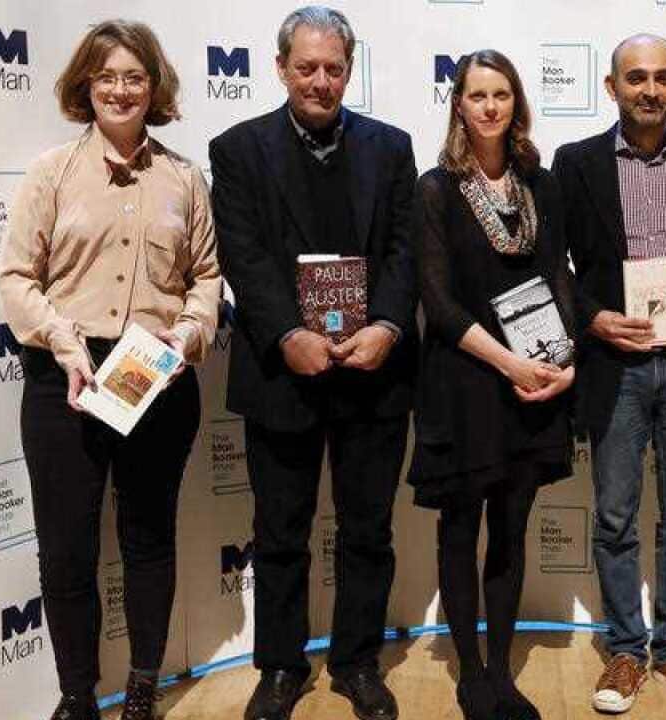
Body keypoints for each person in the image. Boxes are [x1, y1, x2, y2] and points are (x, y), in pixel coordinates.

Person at [0, 19, 219, 720]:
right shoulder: (50, 174)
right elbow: (16, 279)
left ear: (153, 87)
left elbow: (207, 278)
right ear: (84, 86)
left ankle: (144, 687)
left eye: (134, 77)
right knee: (65, 551)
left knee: (149, 538)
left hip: (157, 374)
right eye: (106, 76)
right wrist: (62, 343)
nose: (119, 90)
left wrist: (187, 333)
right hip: (65, 378)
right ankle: (76, 696)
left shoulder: (185, 179)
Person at [207, 7, 417, 720]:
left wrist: (388, 325)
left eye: (333, 68)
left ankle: (357, 662)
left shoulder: (391, 148)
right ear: (280, 69)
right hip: (281, 376)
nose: (320, 81)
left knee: (368, 529)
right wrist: (284, 334)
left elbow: (403, 249)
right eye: (306, 68)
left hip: (372, 373)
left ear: (349, 70)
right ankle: (281, 667)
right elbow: (242, 253)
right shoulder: (236, 149)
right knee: (281, 531)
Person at [552, 33, 666, 714]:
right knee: (614, 517)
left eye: (662, 77)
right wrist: (593, 318)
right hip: (615, 366)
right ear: (612, 87)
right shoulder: (577, 163)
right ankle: (626, 651)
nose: (649, 89)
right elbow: (554, 267)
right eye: (635, 78)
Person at [411, 50, 576, 720]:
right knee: (460, 529)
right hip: (465, 382)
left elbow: (561, 275)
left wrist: (564, 360)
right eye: (476, 94)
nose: (488, 106)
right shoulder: (436, 188)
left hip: (536, 382)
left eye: (500, 94)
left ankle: (503, 671)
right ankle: (471, 674)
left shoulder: (542, 182)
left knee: (512, 530)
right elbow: (438, 302)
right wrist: (509, 364)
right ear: (459, 104)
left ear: (517, 103)